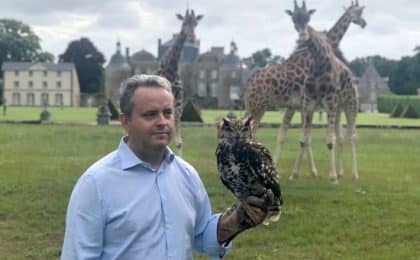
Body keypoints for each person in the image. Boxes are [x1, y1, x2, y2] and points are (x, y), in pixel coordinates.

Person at [61, 74, 271, 259]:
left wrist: (235, 221)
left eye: (168, 113)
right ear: (125, 122)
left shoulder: (187, 174)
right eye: (150, 114)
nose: (162, 122)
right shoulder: (96, 184)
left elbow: (200, 237)